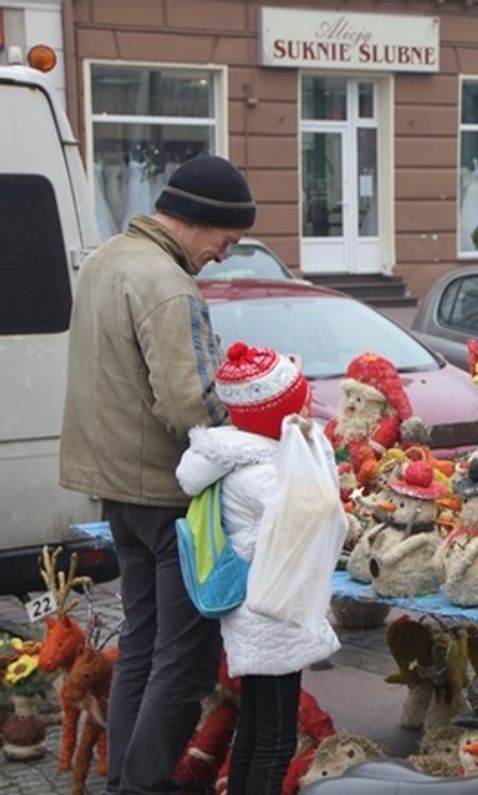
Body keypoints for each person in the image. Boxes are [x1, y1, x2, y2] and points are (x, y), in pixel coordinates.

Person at [59, 154, 256, 794]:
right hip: (169, 498)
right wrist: (253, 437)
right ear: (199, 223)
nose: (222, 257)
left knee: (142, 648)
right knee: (186, 659)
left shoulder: (106, 261)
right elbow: (189, 406)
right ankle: (142, 787)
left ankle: (123, 779)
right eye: (225, 242)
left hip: (118, 490)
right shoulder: (168, 286)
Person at [176, 342, 342, 795]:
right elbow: (318, 513)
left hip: (254, 610)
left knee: (253, 727)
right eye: (298, 399)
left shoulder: (238, 459)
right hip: (272, 611)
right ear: (280, 411)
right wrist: (314, 447)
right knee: (275, 739)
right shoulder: (265, 473)